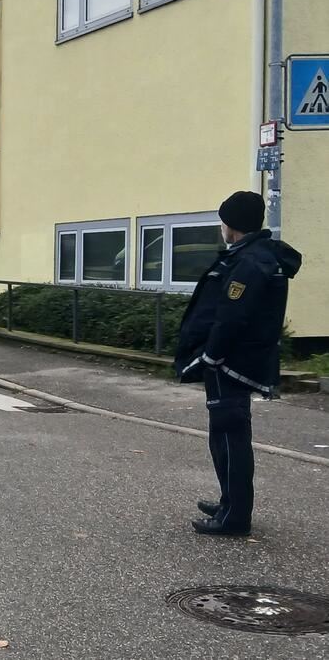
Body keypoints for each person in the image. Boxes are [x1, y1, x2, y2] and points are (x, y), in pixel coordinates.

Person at [175, 191, 301, 536]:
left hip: (230, 363)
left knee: (230, 436)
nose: (221, 227)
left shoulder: (250, 262)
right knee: (225, 435)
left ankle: (234, 517)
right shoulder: (251, 256)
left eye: (223, 221)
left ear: (233, 225)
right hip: (234, 361)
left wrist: (211, 356)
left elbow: (233, 315)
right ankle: (230, 502)